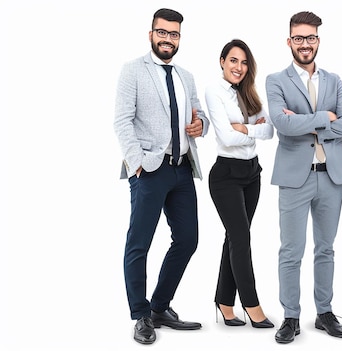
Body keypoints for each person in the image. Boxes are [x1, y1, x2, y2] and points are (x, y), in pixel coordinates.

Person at [113, 8, 209, 345]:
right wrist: (137, 163)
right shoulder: (133, 71)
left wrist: (201, 126)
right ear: (151, 33)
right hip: (149, 170)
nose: (168, 39)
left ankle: (159, 307)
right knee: (139, 243)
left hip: (182, 169)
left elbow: (200, 116)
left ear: (180, 38)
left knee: (187, 239)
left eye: (174, 34)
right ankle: (140, 315)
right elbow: (122, 121)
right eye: (162, 32)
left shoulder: (186, 76)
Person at [265, 10, 342, 344]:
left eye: (311, 38)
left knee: (326, 249)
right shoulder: (276, 80)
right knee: (291, 251)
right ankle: (291, 317)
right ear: (290, 41)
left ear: (319, 40)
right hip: (294, 178)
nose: (306, 44)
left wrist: (309, 120)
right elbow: (282, 125)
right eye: (299, 38)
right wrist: (325, 117)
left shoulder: (333, 80)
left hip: (332, 176)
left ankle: (325, 311)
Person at [204, 39, 274, 329]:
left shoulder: (250, 94)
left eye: (244, 62)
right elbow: (225, 137)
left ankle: (224, 301)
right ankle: (251, 304)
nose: (239, 67)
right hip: (226, 175)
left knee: (234, 238)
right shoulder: (214, 91)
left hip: (252, 173)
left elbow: (269, 131)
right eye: (233, 60)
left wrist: (244, 128)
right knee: (241, 238)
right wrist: (253, 131)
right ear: (222, 61)